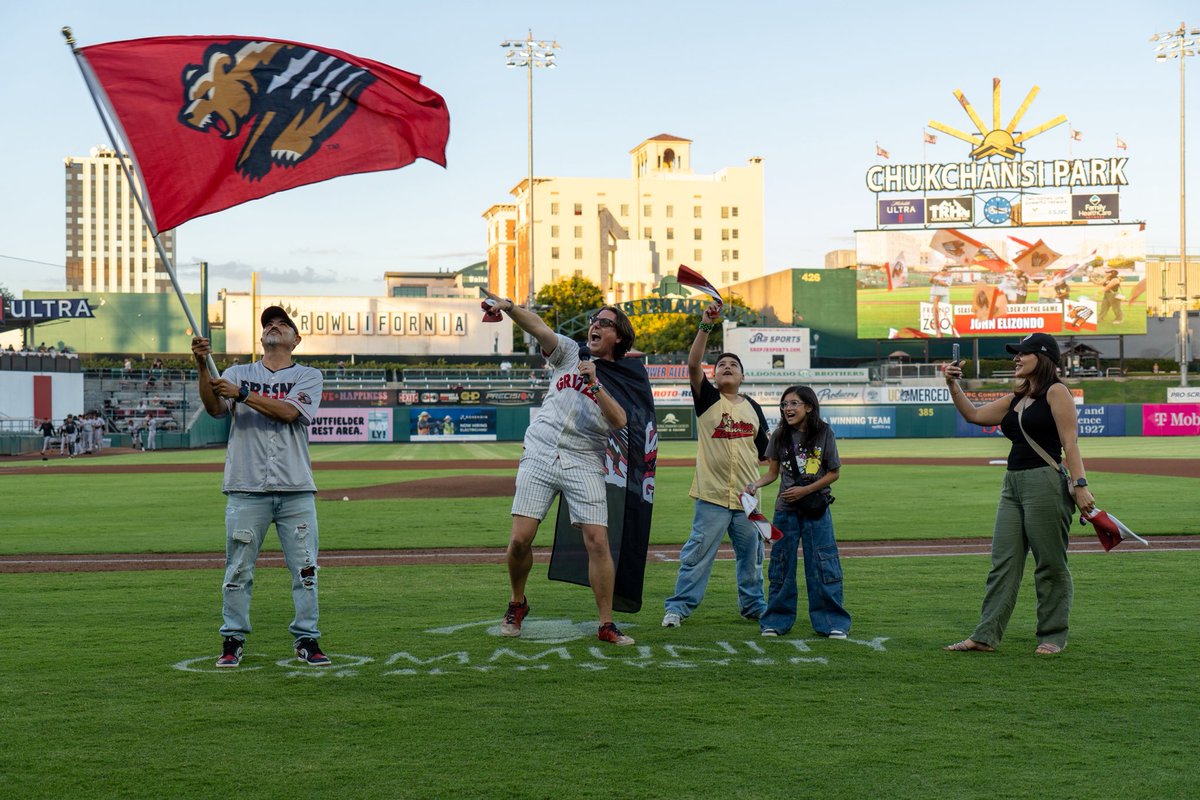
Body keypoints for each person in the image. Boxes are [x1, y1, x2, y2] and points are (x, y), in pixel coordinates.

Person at [480, 287, 636, 646]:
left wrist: (595, 385)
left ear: (618, 336)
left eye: (605, 323)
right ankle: (517, 602)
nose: (595, 326)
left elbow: (620, 421)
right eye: (594, 321)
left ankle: (606, 624)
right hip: (541, 450)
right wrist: (510, 308)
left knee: (598, 541)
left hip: (584, 458)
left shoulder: (624, 377)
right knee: (520, 539)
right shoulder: (569, 353)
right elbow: (540, 329)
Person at [192, 305, 330, 669]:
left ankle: (307, 638)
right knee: (237, 569)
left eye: (283, 323)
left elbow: (288, 413)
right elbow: (213, 409)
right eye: (269, 322)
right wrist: (201, 366)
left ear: (296, 340)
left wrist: (241, 395)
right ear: (261, 336)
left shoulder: (309, 376)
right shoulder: (237, 372)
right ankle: (232, 638)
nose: (274, 325)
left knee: (305, 569)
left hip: (296, 489)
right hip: (245, 487)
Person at [943, 332, 1094, 655]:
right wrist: (953, 385)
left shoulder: (1057, 392)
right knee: (1003, 563)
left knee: (1049, 563)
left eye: (1022, 353)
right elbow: (974, 415)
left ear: (1042, 357)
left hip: (1045, 483)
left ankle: (1053, 635)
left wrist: (1080, 486)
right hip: (1012, 482)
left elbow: (1071, 443)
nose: (1016, 358)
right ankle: (985, 635)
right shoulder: (1016, 398)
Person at [662, 301, 769, 628]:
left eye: (732, 364)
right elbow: (694, 364)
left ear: (742, 376)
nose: (726, 366)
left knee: (752, 559)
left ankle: (754, 608)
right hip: (711, 497)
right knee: (696, 556)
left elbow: (767, 455)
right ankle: (677, 609)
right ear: (714, 374)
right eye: (720, 364)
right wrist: (706, 324)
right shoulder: (708, 399)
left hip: (748, 501)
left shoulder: (753, 408)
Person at [746, 385, 851, 638]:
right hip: (786, 510)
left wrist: (804, 491)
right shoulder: (779, 434)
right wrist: (754, 485)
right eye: (784, 404)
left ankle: (831, 623)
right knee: (782, 564)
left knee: (823, 564)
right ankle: (776, 621)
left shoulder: (824, 432)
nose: (788, 409)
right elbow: (773, 473)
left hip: (816, 508)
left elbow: (834, 473)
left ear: (809, 407)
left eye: (793, 404)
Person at [929, 266, 952, 336]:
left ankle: (943, 329)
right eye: (943, 270)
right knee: (935, 314)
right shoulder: (936, 276)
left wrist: (936, 281)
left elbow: (946, 284)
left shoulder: (949, 277)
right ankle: (937, 331)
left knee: (944, 314)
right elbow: (930, 280)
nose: (944, 272)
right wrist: (933, 277)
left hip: (944, 296)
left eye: (945, 270)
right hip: (935, 296)